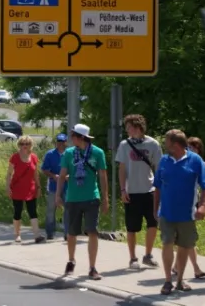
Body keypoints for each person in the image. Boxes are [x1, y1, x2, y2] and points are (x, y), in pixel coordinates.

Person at [153, 129, 205, 295]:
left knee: (185, 246)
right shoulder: (164, 160)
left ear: (176, 145)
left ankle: (179, 280)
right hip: (166, 212)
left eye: (167, 143)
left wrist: (203, 206)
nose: (165, 146)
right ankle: (167, 281)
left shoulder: (195, 160)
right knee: (167, 243)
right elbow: (157, 186)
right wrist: (155, 208)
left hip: (187, 214)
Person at [56, 124, 109, 280]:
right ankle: (71, 260)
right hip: (73, 198)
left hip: (92, 197)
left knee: (92, 231)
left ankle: (92, 267)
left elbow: (103, 175)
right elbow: (62, 174)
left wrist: (105, 197)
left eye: (73, 136)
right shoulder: (69, 153)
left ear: (81, 137)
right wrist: (58, 195)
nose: (71, 138)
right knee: (72, 233)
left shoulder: (97, 153)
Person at [116, 114, 162, 269]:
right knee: (132, 227)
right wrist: (123, 189)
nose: (128, 130)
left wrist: (159, 190)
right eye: (126, 127)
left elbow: (158, 168)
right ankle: (133, 257)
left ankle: (148, 254)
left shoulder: (153, 144)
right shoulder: (124, 145)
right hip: (132, 191)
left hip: (150, 190)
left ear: (138, 127)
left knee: (153, 223)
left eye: (130, 127)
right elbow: (121, 169)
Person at [171, 137, 205, 279]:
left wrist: (204, 205)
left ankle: (175, 266)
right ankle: (196, 268)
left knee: (186, 238)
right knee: (187, 239)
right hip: (179, 205)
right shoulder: (179, 161)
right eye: (189, 147)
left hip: (192, 204)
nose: (192, 150)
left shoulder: (201, 164)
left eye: (195, 147)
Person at [6, 135, 45, 243]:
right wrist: (7, 187)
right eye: (22, 144)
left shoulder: (34, 157)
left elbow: (35, 174)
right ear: (19, 145)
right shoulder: (15, 157)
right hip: (17, 188)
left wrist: (38, 187)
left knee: (32, 211)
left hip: (30, 188)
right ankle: (17, 235)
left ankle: (37, 235)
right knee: (17, 211)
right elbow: (9, 174)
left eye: (27, 144)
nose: (24, 146)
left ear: (30, 145)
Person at [41, 133, 68, 240]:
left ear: (66, 142)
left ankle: (67, 233)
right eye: (58, 142)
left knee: (68, 210)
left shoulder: (69, 154)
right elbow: (44, 169)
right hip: (53, 186)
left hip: (67, 187)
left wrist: (68, 176)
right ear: (56, 142)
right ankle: (50, 232)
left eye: (62, 142)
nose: (60, 144)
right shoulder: (50, 154)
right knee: (51, 210)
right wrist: (53, 175)